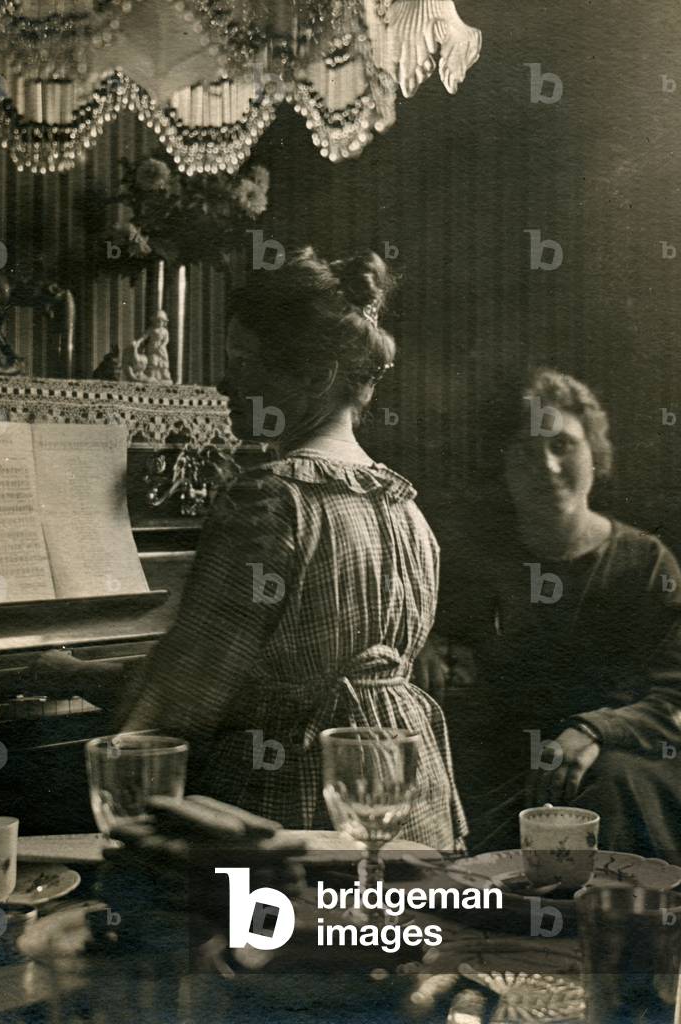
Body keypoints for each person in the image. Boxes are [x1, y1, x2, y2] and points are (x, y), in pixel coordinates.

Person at [103, 248, 466, 850]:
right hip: (406, 803)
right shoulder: (405, 507)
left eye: (244, 363)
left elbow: (186, 694)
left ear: (316, 377)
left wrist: (87, 697)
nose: (225, 384)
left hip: (298, 809)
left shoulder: (269, 500)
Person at [415, 368, 681, 887]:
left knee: (603, 791)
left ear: (595, 452)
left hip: (630, 762)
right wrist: (425, 646)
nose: (548, 466)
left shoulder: (644, 562)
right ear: (505, 467)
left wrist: (594, 730)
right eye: (526, 453)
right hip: (515, 763)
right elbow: (440, 645)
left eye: (563, 445)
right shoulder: (475, 562)